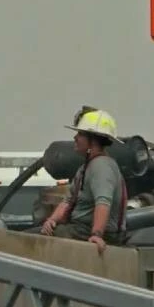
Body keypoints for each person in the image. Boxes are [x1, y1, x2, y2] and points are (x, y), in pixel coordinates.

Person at [38, 106, 128, 254]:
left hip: (90, 232)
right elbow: (67, 201)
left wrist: (96, 235)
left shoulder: (101, 167)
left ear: (92, 140)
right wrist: (51, 221)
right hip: (79, 229)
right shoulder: (85, 168)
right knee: (39, 233)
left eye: (80, 134)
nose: (75, 138)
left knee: (32, 243)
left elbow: (103, 202)